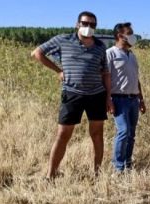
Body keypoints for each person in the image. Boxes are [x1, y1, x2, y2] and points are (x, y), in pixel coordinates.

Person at [31, 11, 112, 178]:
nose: (88, 27)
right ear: (77, 24)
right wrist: (58, 71)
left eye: (92, 25)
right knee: (63, 134)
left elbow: (104, 72)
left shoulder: (100, 46)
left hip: (96, 94)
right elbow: (37, 53)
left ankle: (97, 173)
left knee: (97, 134)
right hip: (72, 94)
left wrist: (108, 96)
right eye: (85, 23)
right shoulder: (63, 40)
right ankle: (50, 175)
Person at [107, 22, 146, 172]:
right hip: (119, 99)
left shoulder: (132, 55)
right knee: (123, 131)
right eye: (129, 33)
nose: (132, 36)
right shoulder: (110, 53)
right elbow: (106, 78)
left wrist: (141, 99)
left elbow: (136, 79)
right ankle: (118, 167)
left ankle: (127, 163)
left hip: (133, 99)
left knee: (131, 133)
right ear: (120, 36)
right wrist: (108, 99)